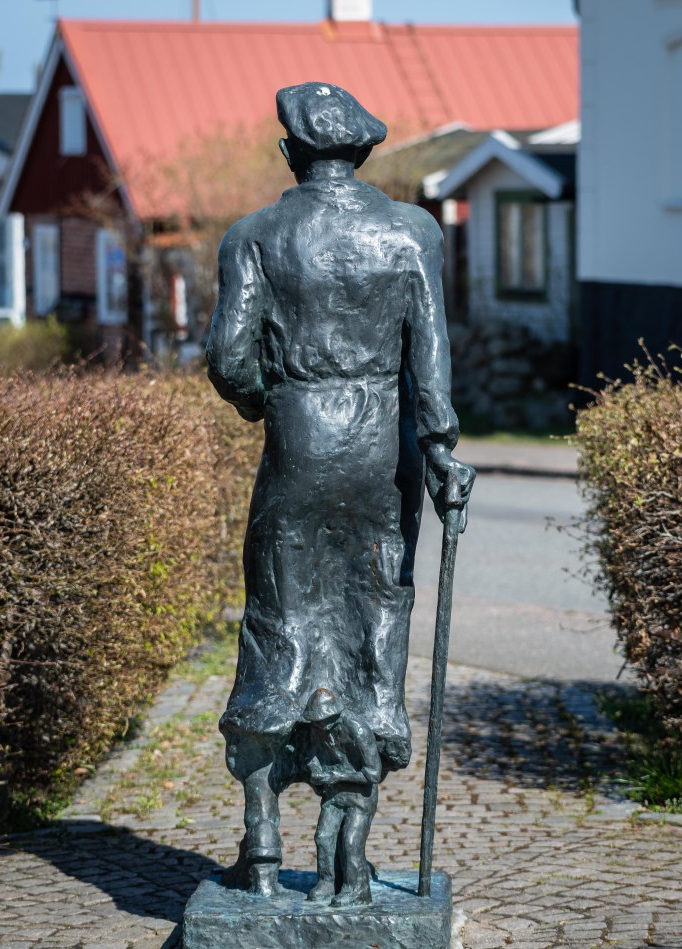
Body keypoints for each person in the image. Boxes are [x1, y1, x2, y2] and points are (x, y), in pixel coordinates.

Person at [207, 81, 474, 897]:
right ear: (361, 153)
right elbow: (431, 354)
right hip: (381, 449)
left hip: (297, 442)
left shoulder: (253, 236)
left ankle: (261, 836)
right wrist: (441, 449)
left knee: (278, 621)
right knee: (372, 621)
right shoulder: (412, 233)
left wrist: (274, 400)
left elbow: (228, 359)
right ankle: (348, 847)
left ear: (290, 153)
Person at [302, 688, 380, 906]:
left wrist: (338, 775)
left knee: (350, 843)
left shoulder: (357, 730)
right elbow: (312, 754)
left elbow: (374, 773)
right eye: (316, 721)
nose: (319, 725)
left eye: (323, 720)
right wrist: (314, 769)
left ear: (335, 713)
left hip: (360, 797)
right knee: (324, 837)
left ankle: (357, 890)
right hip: (334, 794)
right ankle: (327, 882)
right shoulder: (318, 728)